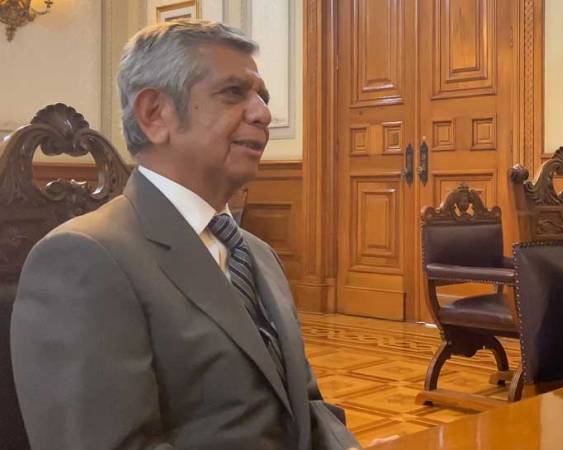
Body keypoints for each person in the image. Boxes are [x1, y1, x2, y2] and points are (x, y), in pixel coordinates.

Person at [11, 20, 360, 450]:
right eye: (234, 92)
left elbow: (308, 408)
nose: (264, 114)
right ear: (155, 114)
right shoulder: (84, 259)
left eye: (263, 97)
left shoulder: (258, 255)